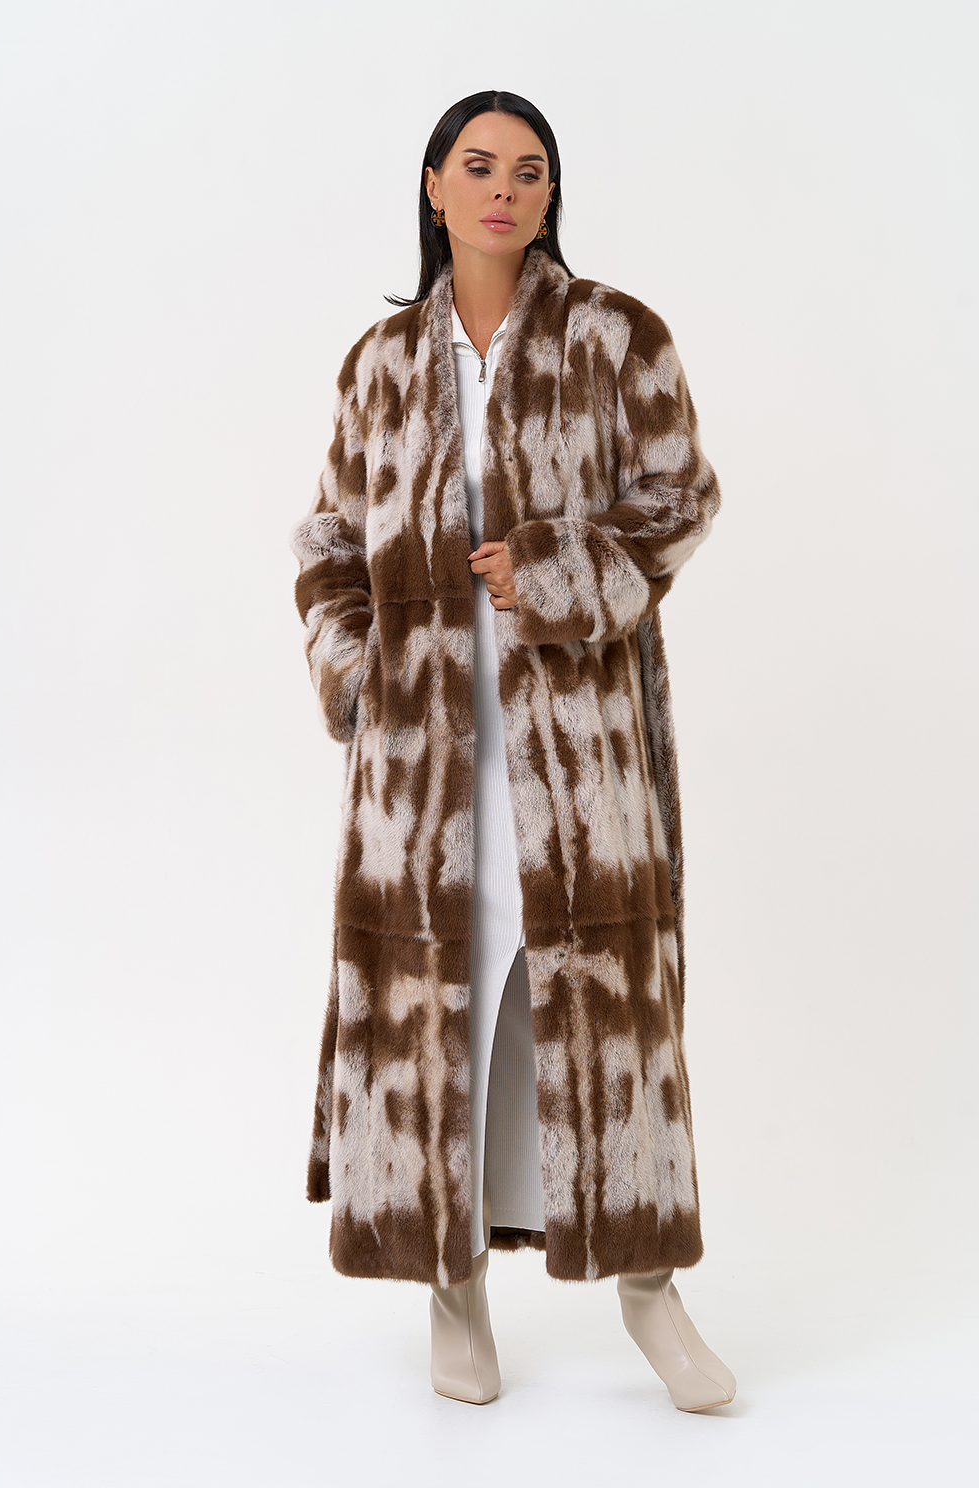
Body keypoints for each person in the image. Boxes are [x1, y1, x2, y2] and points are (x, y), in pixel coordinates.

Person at [289, 89, 736, 1411]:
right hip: (423, 770)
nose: (503, 189)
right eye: (478, 167)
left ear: (549, 195)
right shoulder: (380, 363)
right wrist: (357, 674)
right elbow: (328, 539)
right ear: (435, 187)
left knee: (609, 1015)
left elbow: (680, 496)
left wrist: (555, 570)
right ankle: (455, 1293)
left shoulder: (614, 336)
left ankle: (651, 1293)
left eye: (528, 170)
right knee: (438, 1018)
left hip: (578, 749)